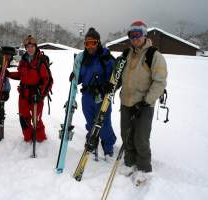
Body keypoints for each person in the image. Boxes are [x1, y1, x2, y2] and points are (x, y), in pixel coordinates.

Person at [118, 21, 168, 184]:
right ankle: (130, 162)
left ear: (144, 35)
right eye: (131, 35)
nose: (134, 38)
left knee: (141, 138)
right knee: (126, 135)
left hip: (144, 105)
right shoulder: (126, 54)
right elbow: (117, 76)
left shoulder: (154, 55)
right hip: (126, 102)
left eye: (138, 34)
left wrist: (147, 101)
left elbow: (160, 82)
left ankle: (144, 168)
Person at [72, 27, 116, 160]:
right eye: (87, 43)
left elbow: (116, 77)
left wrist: (111, 85)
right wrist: (74, 76)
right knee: (90, 122)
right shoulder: (83, 59)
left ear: (98, 42)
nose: (90, 46)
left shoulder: (106, 58)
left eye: (93, 43)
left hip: (102, 96)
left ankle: (108, 146)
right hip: (87, 96)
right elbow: (79, 78)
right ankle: (92, 140)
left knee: (104, 123)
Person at [6, 35, 49, 143]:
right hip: (24, 94)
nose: (30, 49)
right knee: (24, 118)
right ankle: (28, 138)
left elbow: (46, 79)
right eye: (27, 47)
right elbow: (21, 75)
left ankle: (41, 139)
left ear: (35, 47)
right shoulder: (23, 60)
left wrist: (40, 92)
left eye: (32, 46)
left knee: (36, 119)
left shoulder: (40, 61)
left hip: (36, 94)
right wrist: (9, 74)